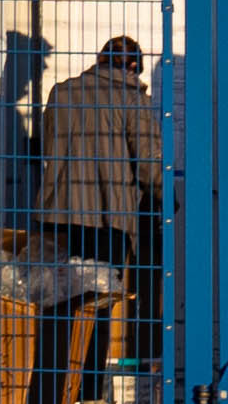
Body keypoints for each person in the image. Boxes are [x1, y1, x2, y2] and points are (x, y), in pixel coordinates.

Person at [42, 36, 162, 270]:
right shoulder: (133, 99)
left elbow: (49, 148)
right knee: (102, 293)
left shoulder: (61, 92)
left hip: (58, 211)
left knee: (58, 292)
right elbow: (148, 160)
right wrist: (166, 196)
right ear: (133, 67)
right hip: (109, 215)